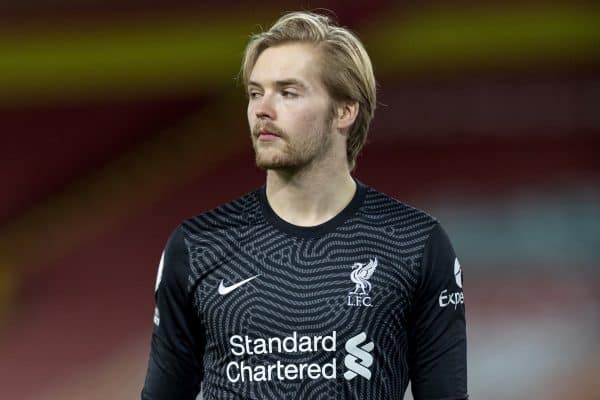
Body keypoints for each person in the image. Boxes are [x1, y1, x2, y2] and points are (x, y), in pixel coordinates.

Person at [141, 11, 467, 400]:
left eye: (288, 92)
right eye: (255, 92)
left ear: (345, 111)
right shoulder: (197, 244)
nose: (262, 108)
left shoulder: (413, 242)